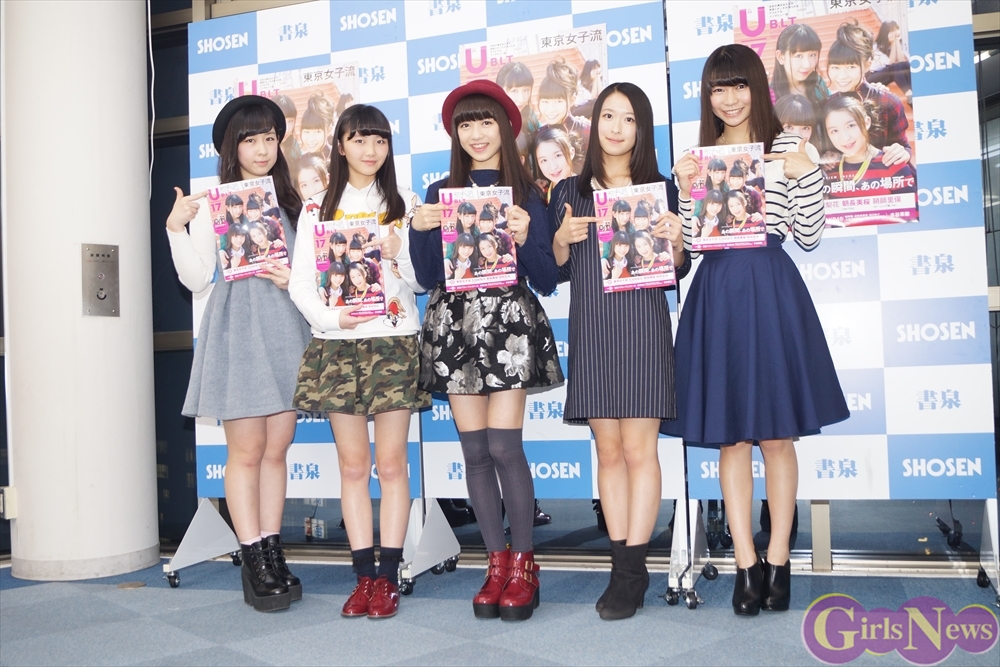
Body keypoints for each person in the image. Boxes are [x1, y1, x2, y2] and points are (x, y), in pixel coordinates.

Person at [666, 44, 849, 617]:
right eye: (718, 88)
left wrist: (807, 173)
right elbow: (691, 247)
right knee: (732, 438)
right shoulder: (696, 158)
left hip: (771, 288)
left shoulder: (789, 147)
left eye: (739, 85)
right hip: (718, 292)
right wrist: (683, 192)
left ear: (757, 88)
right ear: (708, 96)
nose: (729, 98)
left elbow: (809, 236)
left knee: (777, 438)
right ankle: (746, 564)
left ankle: (779, 558)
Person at [409, 79, 563, 621]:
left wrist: (526, 236)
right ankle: (495, 564)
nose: (476, 133)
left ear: (506, 128)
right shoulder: (438, 192)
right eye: (466, 124)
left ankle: (523, 564)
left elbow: (548, 278)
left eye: (486, 121)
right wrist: (418, 228)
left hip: (508, 328)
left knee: (503, 447)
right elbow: (427, 274)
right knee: (474, 451)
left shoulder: (528, 193)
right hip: (455, 325)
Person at [550, 82, 689, 620]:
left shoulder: (661, 189)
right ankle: (620, 562)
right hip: (592, 327)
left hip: (643, 327)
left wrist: (677, 240)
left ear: (642, 128)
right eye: (608, 115)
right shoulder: (568, 190)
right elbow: (556, 267)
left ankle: (632, 571)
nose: (616, 127)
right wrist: (561, 238)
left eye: (628, 118)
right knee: (607, 453)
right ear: (594, 124)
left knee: (639, 451)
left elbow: (678, 268)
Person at [165, 95, 310, 612]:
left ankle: (272, 547)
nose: (263, 149)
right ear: (232, 147)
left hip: (286, 329)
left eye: (270, 138)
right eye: (251, 139)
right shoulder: (214, 203)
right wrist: (176, 227)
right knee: (246, 451)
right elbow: (196, 278)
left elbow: (312, 274)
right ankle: (252, 558)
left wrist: (295, 279)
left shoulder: (293, 202)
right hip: (239, 334)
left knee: (277, 448)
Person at [288, 103, 428, 620]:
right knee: (352, 466)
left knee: (390, 465)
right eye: (360, 139)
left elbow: (422, 281)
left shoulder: (405, 203)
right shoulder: (315, 209)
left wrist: (398, 250)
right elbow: (301, 283)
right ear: (341, 146)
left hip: (393, 341)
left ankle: (388, 578)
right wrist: (332, 319)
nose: (371, 150)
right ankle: (362, 577)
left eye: (380, 140)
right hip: (338, 345)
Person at [826, 20, 911, 167]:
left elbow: (903, 145)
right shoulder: (827, 104)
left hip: (882, 176)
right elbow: (826, 148)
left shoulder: (887, 101)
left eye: (851, 67)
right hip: (846, 178)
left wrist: (902, 152)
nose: (842, 76)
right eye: (835, 68)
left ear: (867, 66)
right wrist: (827, 156)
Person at [822, 95, 917, 209]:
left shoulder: (891, 163)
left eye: (851, 125)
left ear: (867, 122)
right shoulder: (829, 169)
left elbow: (912, 213)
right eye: (834, 131)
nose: (845, 138)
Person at [537, 58, 590, 173]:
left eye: (558, 101)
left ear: (572, 100)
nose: (551, 109)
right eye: (545, 101)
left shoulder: (586, 130)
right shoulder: (539, 134)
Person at [496, 61, 541, 142]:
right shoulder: (493, 120)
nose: (521, 99)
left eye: (526, 90)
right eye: (514, 91)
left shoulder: (530, 117)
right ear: (500, 89)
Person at [869, 21, 912, 106]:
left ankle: (913, 92)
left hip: (886, 73)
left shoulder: (893, 44)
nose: (895, 32)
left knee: (906, 65)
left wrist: (896, 42)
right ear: (886, 33)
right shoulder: (876, 46)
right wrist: (893, 43)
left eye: (896, 29)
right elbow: (890, 64)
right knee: (894, 67)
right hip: (872, 76)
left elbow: (901, 61)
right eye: (892, 30)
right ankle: (908, 94)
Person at [532, 125, 576, 202]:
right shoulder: (541, 194)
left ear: (571, 153)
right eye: (544, 160)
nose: (553, 167)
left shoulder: (588, 191)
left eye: (557, 156)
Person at [299, 93, 334, 161]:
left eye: (318, 132)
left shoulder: (339, 157)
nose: (311, 139)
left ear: (329, 130)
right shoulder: (301, 161)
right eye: (306, 132)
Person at [273, 93, 302, 166]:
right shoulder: (263, 148)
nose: (287, 129)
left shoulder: (294, 145)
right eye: (281, 121)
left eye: (290, 121)